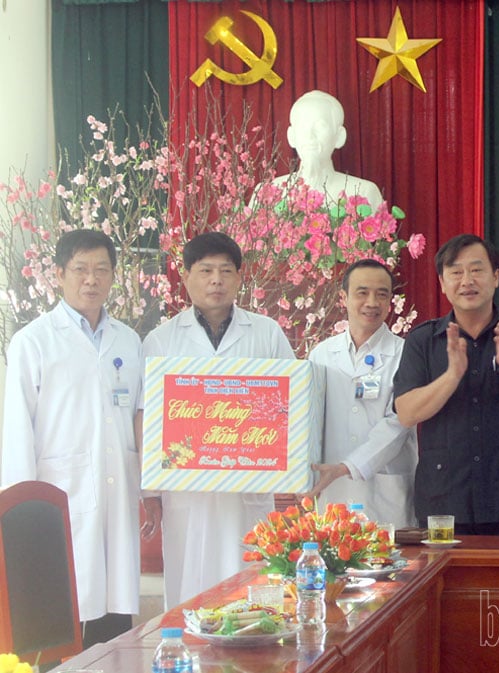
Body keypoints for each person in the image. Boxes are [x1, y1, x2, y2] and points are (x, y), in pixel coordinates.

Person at [1, 229, 155, 646]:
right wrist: (18, 511)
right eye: (81, 270)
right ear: (58, 274)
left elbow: (140, 420)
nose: (92, 280)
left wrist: (149, 491)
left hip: (116, 490)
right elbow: (16, 429)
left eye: (102, 270)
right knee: (59, 610)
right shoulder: (32, 342)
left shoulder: (128, 340)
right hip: (55, 496)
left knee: (114, 612)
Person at [142, 232, 296, 607]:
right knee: (189, 594)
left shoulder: (267, 333)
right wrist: (149, 493)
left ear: (240, 278)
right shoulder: (161, 340)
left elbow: (292, 403)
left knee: (252, 593)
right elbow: (147, 418)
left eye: (226, 271)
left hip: (248, 487)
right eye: (206, 270)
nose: (216, 280)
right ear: (186, 275)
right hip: (186, 492)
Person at [393, 234, 499, 535]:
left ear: (496, 277)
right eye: (456, 272)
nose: (467, 280)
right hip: (443, 500)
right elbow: (406, 413)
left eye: (477, 270)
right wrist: (451, 376)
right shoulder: (422, 340)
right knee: (445, 582)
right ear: (443, 283)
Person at [307, 259, 417, 527]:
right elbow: (309, 420)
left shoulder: (406, 353)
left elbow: (398, 423)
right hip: (332, 490)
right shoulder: (321, 354)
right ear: (343, 297)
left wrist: (349, 466)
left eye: (382, 294)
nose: (372, 302)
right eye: (362, 292)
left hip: (384, 489)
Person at [270, 90, 383, 209]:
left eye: (320, 126)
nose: (310, 136)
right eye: (303, 126)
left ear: (339, 136)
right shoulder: (268, 193)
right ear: (291, 136)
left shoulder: (363, 193)